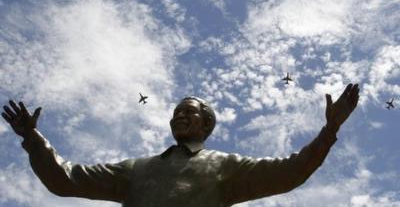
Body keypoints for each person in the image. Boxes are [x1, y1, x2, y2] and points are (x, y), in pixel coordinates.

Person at [1, 84, 359, 207]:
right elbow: (65, 179)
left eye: (187, 112)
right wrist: (32, 138)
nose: (178, 117)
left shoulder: (225, 166)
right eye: (175, 113)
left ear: (206, 123)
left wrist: (329, 129)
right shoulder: (134, 170)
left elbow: (290, 171)